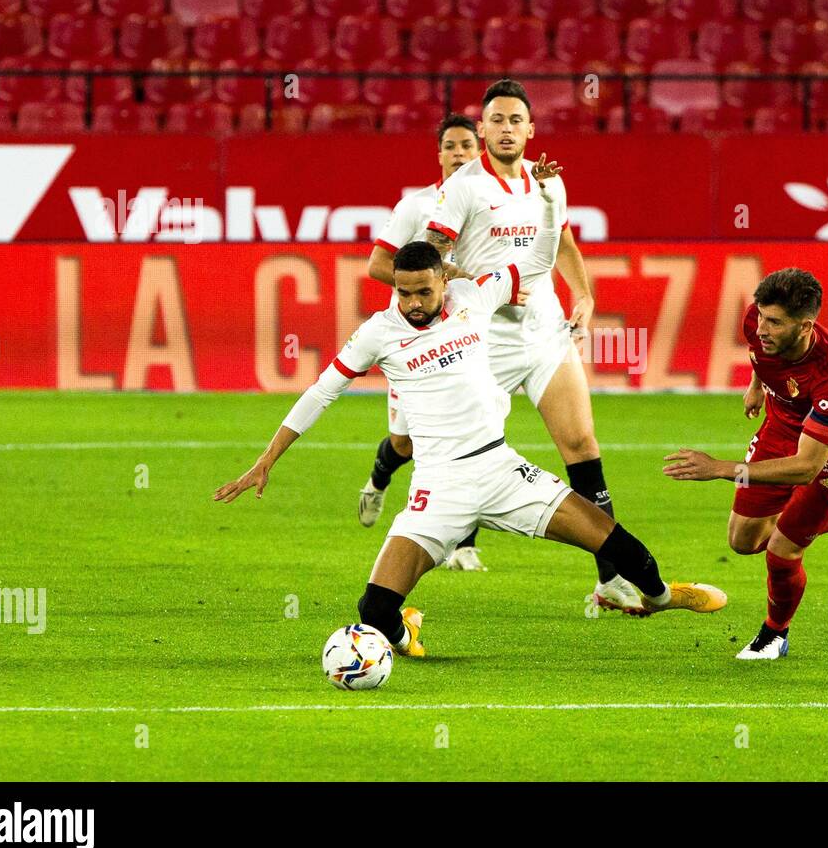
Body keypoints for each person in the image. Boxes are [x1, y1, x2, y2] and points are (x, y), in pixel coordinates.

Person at [215, 167, 726, 659]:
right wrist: (267, 459)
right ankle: (403, 631)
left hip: (502, 470)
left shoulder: (473, 295)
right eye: (403, 292)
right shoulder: (378, 331)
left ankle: (662, 598)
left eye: (423, 291)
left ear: (444, 279)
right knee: (373, 611)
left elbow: (540, 261)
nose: (413, 303)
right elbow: (321, 392)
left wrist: (550, 202)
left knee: (621, 547)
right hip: (438, 486)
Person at [423, 78, 643, 613]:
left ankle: (611, 578)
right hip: (482, 344)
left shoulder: (549, 184)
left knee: (582, 447)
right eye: (495, 120)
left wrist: (584, 294)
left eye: (514, 120)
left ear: (530, 129)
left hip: (543, 335)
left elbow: (562, 239)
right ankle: (413, 577)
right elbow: (429, 252)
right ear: (482, 129)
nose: (505, 129)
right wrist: (474, 281)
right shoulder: (463, 189)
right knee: (458, 456)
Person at [663, 268, 828, 661]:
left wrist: (721, 468)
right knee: (744, 541)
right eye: (761, 316)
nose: (762, 327)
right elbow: (760, 353)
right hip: (784, 421)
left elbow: (806, 466)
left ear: (805, 327)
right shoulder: (757, 321)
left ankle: (774, 635)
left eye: (775, 322)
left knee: (783, 548)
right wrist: (757, 386)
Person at [358, 113, 486, 572]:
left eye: (467, 146)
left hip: (469, 339)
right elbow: (377, 265)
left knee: (469, 428)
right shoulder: (418, 206)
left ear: (481, 150)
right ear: (439, 154)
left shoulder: (494, 205)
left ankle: (463, 542)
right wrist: (432, 282)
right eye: (450, 145)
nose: (459, 153)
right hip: (418, 343)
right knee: (407, 444)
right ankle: (378, 479)